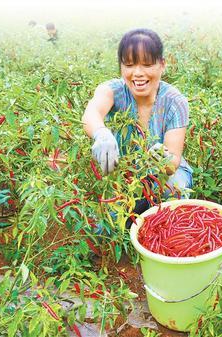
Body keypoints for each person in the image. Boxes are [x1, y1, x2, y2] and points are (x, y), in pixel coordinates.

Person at [82, 28, 193, 223]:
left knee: (174, 190)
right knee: (102, 229)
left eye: (147, 64)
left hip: (164, 178)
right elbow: (91, 113)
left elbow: (173, 161)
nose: (138, 73)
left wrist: (162, 159)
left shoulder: (175, 102)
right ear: (121, 67)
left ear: (162, 65)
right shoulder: (113, 91)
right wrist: (101, 133)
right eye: (130, 65)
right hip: (126, 178)